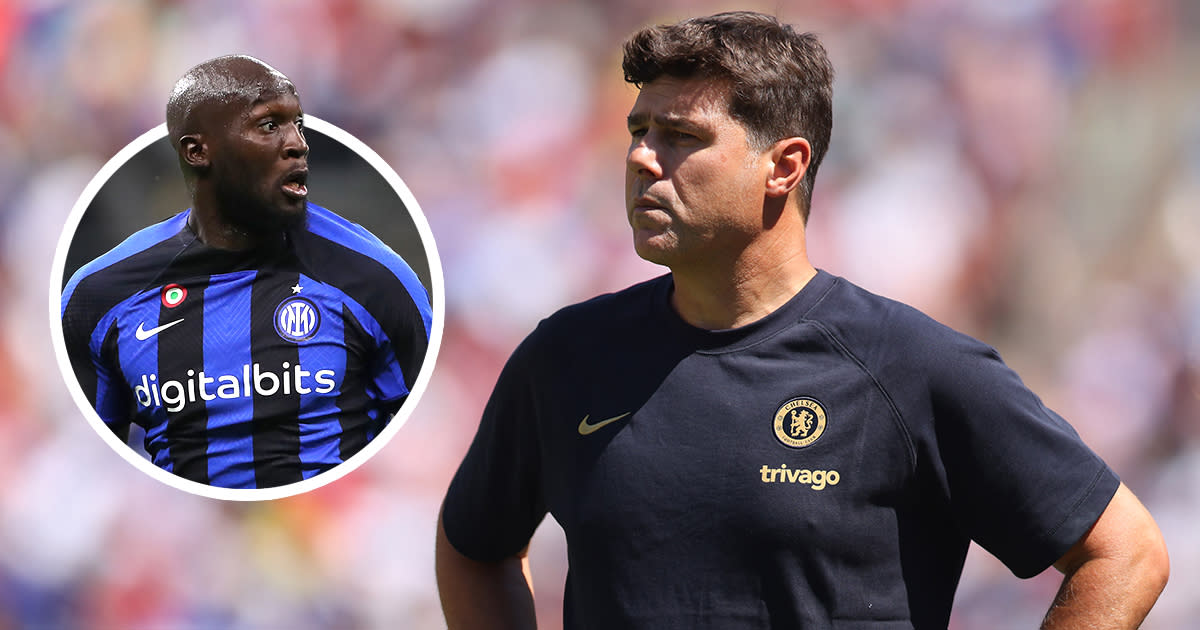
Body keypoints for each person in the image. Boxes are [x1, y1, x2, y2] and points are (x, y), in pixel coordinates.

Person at [436, 11, 1168, 629]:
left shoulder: (910, 367)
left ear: (784, 165)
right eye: (638, 130)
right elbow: (474, 546)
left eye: (681, 137)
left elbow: (1126, 552)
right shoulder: (567, 356)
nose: (640, 159)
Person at [61, 55, 433, 490]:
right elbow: (92, 476)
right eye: (268, 125)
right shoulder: (100, 295)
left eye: (297, 123)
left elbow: (429, 454)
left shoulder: (375, 277)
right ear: (198, 151)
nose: (297, 143)